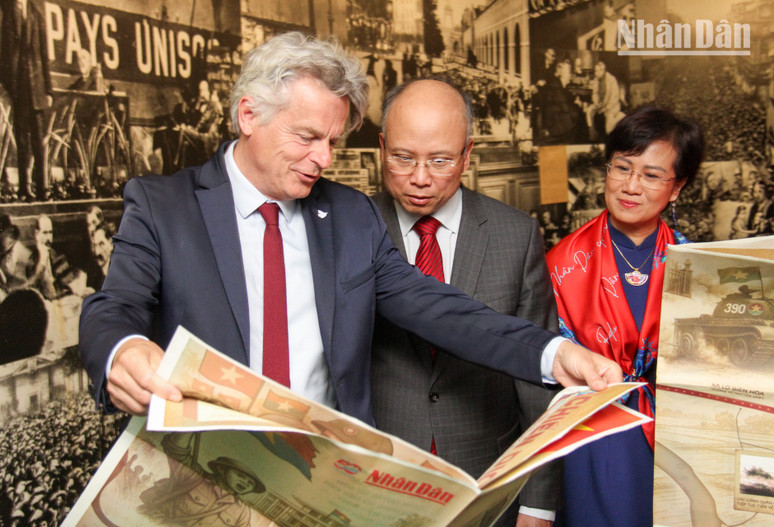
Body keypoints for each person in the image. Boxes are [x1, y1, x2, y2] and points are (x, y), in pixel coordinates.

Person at [78, 31, 620, 422]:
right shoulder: (161, 205)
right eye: (307, 136)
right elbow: (115, 306)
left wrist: (553, 354)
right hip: (207, 477)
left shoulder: (348, 215)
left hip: (323, 477)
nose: (323, 159)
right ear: (249, 116)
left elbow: (440, 309)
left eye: (334, 142)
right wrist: (121, 349)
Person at [371, 78, 561, 526]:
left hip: (488, 479)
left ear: (467, 155)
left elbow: (538, 383)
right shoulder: (352, 229)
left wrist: (538, 501)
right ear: (381, 147)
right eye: (402, 157)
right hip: (380, 477)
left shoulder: (514, 235)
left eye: (440, 160)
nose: (420, 177)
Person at [546, 106, 704, 527]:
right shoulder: (562, 264)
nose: (631, 186)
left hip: (681, 437)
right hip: (593, 436)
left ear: (676, 188)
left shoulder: (699, 268)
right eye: (622, 167)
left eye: (652, 175)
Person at [0, 0, 53, 201]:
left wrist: (48, 89)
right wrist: (9, 86)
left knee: (39, 141)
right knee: (22, 142)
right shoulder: (10, 11)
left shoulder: (37, 13)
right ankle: (24, 188)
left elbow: (44, 54)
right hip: (19, 88)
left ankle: (42, 187)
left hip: (36, 89)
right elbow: (6, 51)